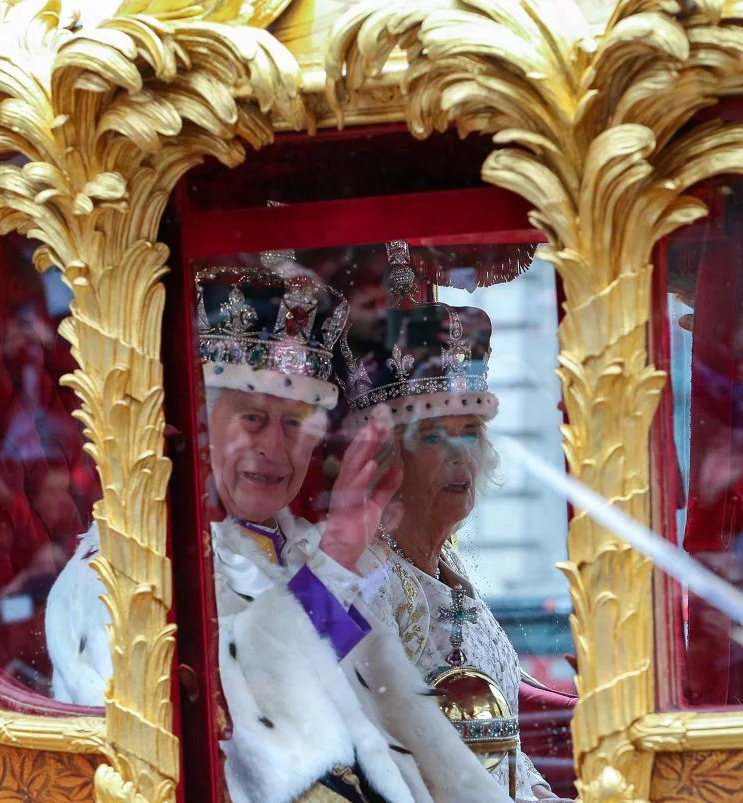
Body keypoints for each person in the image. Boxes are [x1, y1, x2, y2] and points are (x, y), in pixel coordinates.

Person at [47, 263, 508, 803]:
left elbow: (399, 730)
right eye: (252, 419)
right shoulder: (124, 568)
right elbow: (247, 740)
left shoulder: (306, 554)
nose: (273, 447)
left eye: (294, 424)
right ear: (202, 424)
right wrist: (334, 560)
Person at [338, 302, 566, 802]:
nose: (461, 454)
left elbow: (498, 744)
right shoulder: (369, 576)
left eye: (470, 433)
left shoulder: (449, 567)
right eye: (435, 436)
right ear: (388, 456)